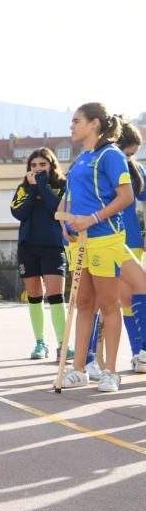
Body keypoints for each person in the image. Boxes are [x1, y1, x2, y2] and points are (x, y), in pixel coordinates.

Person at [59, 104, 145, 392]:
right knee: (84, 305)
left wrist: (93, 219)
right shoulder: (82, 159)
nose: (71, 126)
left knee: (109, 305)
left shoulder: (111, 155)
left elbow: (126, 196)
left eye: (76, 121)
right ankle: (79, 369)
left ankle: (111, 372)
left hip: (105, 239)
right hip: (79, 242)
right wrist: (66, 221)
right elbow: (69, 198)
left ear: (94, 124)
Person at [9, 148, 69, 360]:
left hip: (53, 247)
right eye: (33, 165)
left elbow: (57, 209)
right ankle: (40, 343)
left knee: (56, 295)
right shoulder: (24, 189)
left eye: (42, 164)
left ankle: (63, 344)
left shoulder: (62, 186)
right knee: (34, 296)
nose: (37, 169)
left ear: (51, 165)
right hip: (28, 248)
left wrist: (42, 186)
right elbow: (18, 212)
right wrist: (33, 189)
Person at [116, 122, 146, 372]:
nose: (129, 158)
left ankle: (139, 353)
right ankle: (137, 352)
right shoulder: (104, 165)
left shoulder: (138, 171)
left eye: (133, 154)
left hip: (133, 240)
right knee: (120, 299)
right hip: (107, 238)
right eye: (126, 152)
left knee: (132, 295)